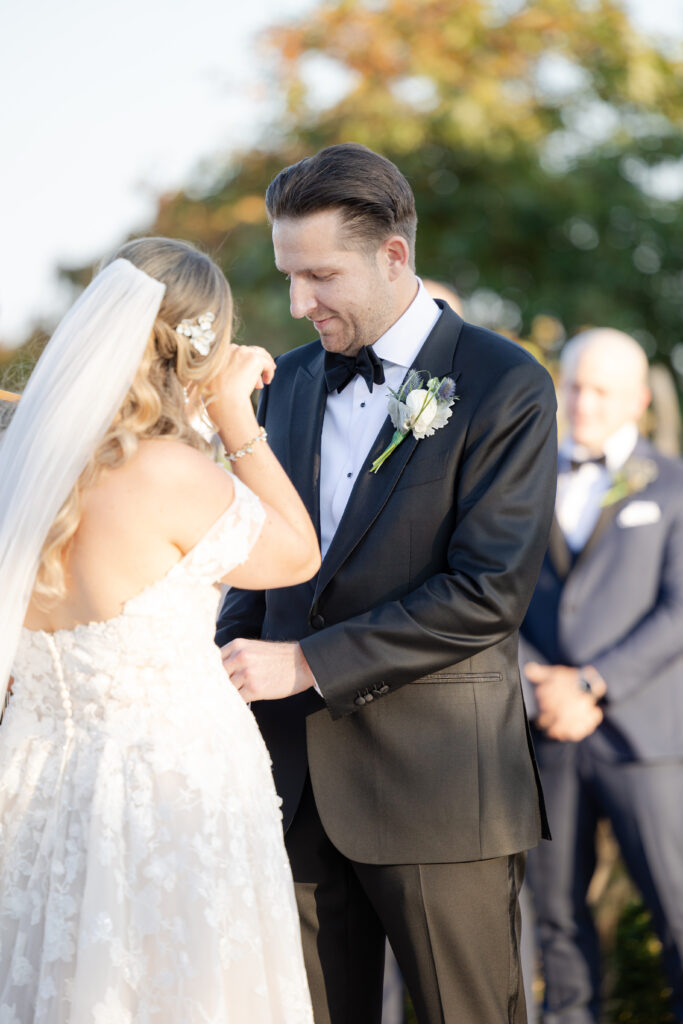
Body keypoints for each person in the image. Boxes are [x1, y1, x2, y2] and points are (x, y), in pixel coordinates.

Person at [217, 142, 558, 1024]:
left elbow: (488, 590)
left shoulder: (503, 381)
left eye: (320, 275)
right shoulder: (286, 384)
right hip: (289, 792)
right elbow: (256, 567)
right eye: (288, 276)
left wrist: (308, 663)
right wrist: (220, 667)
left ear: (392, 255)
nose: (299, 303)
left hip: (439, 791)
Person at [0, 238, 319, 1022]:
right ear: (198, 349)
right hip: (166, 785)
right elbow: (296, 552)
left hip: (39, 776)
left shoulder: (24, 461)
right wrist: (236, 415)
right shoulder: (167, 474)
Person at [519, 327, 683, 1023]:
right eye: (574, 385)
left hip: (640, 737)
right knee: (554, 922)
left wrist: (590, 683)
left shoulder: (673, 486)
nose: (582, 403)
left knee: (676, 912)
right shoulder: (517, 481)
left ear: (639, 400)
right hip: (545, 732)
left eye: (601, 390)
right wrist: (537, 681)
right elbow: (487, 597)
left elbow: (678, 611)